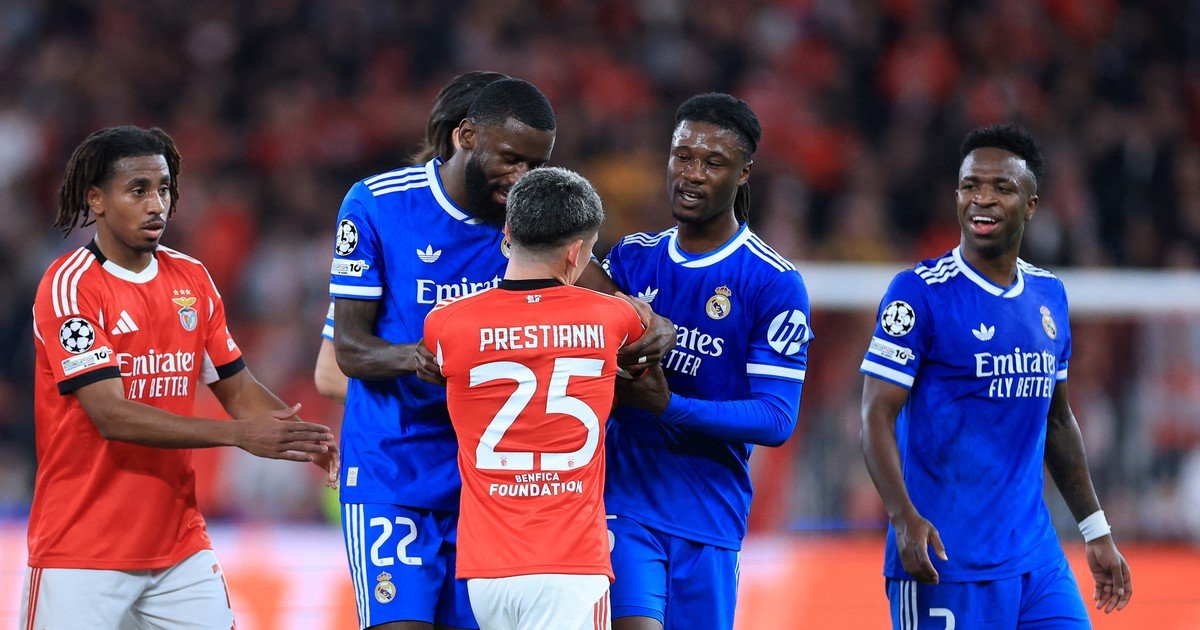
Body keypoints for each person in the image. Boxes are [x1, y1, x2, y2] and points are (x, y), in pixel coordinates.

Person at [328, 77, 673, 630]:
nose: (521, 177)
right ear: (466, 136)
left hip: (495, 489)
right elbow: (348, 349)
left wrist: (656, 328)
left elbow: (606, 302)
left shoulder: (528, 219)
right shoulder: (378, 204)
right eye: (511, 159)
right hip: (394, 469)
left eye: (535, 165)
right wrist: (420, 358)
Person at [23, 125, 337, 629]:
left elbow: (237, 387)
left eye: (164, 189)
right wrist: (239, 435)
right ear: (96, 199)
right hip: (81, 548)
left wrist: (308, 441)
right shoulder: (71, 286)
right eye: (138, 190)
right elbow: (110, 414)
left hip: (178, 546)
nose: (157, 205)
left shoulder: (191, 278)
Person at [859, 124, 1132, 628]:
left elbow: (1057, 421)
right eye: (971, 186)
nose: (982, 199)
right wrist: (901, 515)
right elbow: (875, 413)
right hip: (945, 560)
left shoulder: (1049, 295)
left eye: (1002, 188)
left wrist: (1095, 530)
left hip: (1036, 560)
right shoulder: (919, 293)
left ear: (1030, 205)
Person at [602, 93, 812, 630]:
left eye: (713, 162)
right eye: (682, 156)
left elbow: (776, 418)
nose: (691, 174)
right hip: (623, 506)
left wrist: (669, 405)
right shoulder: (630, 259)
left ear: (743, 173)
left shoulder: (772, 281)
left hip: (711, 518)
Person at [423, 167, 645, 630]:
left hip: (488, 572)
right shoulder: (614, 318)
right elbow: (650, 345)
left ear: (507, 234)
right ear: (575, 253)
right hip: (570, 566)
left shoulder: (446, 324)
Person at [315, 70, 510, 403]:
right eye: (507, 150)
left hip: (489, 433)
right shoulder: (385, 210)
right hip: (406, 433)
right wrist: (420, 403)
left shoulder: (522, 216)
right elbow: (330, 371)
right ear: (464, 137)